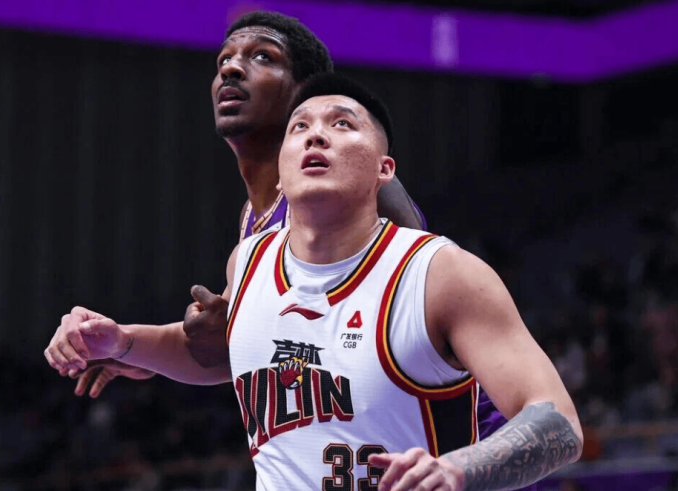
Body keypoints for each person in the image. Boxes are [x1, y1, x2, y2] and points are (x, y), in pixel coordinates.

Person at [46, 73, 582, 490]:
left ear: (384, 169)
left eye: (343, 124)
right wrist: (123, 341)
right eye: (299, 127)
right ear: (281, 172)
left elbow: (559, 423)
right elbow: (230, 354)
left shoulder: (440, 274)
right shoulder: (248, 261)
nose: (316, 134)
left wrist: (459, 469)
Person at [50, 10, 424, 397]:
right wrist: (121, 342)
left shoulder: (354, 180)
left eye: (262, 56)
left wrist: (249, 333)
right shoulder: (253, 223)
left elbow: (415, 310)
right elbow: (220, 355)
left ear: (307, 92)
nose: (230, 69)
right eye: (224, 60)